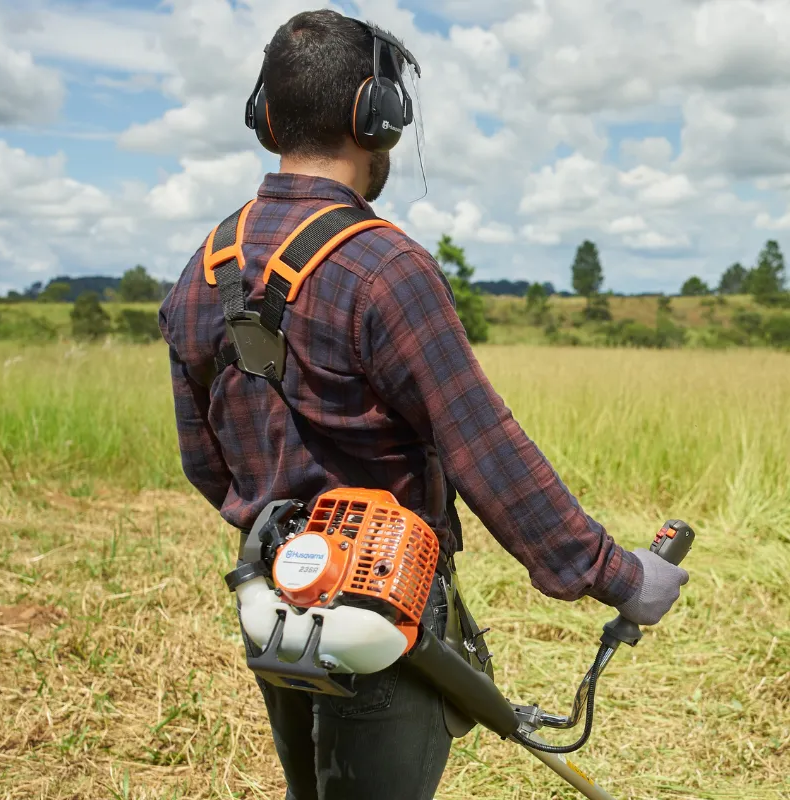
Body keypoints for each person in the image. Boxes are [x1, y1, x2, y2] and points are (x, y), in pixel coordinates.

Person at [159, 9, 689, 800]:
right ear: (379, 117)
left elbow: (206, 464)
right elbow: (486, 448)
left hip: (271, 601)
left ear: (265, 116)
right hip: (385, 612)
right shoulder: (385, 268)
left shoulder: (201, 269)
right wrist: (618, 576)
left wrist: (287, 532)